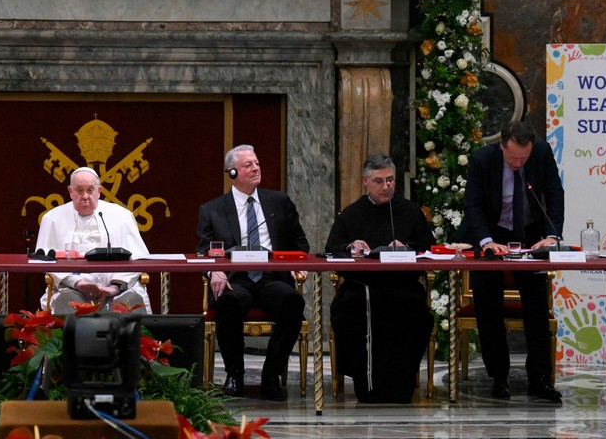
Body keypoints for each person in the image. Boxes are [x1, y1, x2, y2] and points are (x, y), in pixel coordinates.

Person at [460, 120, 563, 402]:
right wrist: (485, 241)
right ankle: (499, 377)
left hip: (530, 234)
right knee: (488, 306)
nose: (518, 163)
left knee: (537, 305)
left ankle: (539, 378)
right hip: (491, 234)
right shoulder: (483, 159)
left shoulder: (541, 152)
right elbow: (473, 204)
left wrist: (553, 236)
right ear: (502, 145)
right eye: (513, 157)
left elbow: (554, 192)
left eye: (524, 158)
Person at [196, 144, 309, 400]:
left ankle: (271, 375)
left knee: (293, 302)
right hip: (236, 279)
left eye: (257, 163)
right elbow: (204, 252)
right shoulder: (212, 209)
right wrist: (214, 272)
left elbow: (299, 243)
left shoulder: (279, 202)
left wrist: (293, 262)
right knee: (227, 304)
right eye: (248, 165)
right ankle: (235, 374)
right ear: (232, 173)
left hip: (271, 278)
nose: (256, 168)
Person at [324, 153, 434, 403]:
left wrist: (406, 247)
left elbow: (429, 249)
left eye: (390, 180)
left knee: (417, 315)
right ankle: (366, 386)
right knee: (351, 312)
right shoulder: (351, 214)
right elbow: (332, 248)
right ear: (365, 181)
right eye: (379, 181)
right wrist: (352, 247)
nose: (386, 186)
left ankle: (403, 385)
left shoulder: (410, 211)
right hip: (363, 288)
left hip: (403, 287)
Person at [34, 167, 151, 314]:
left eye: (90, 190)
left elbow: (138, 259)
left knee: (131, 301)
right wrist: (78, 283)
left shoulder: (122, 216)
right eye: (79, 190)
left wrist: (114, 287)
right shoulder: (52, 218)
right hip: (72, 289)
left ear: (99, 191)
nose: (85, 196)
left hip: (119, 289)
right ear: (70, 191)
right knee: (67, 301)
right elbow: (47, 262)